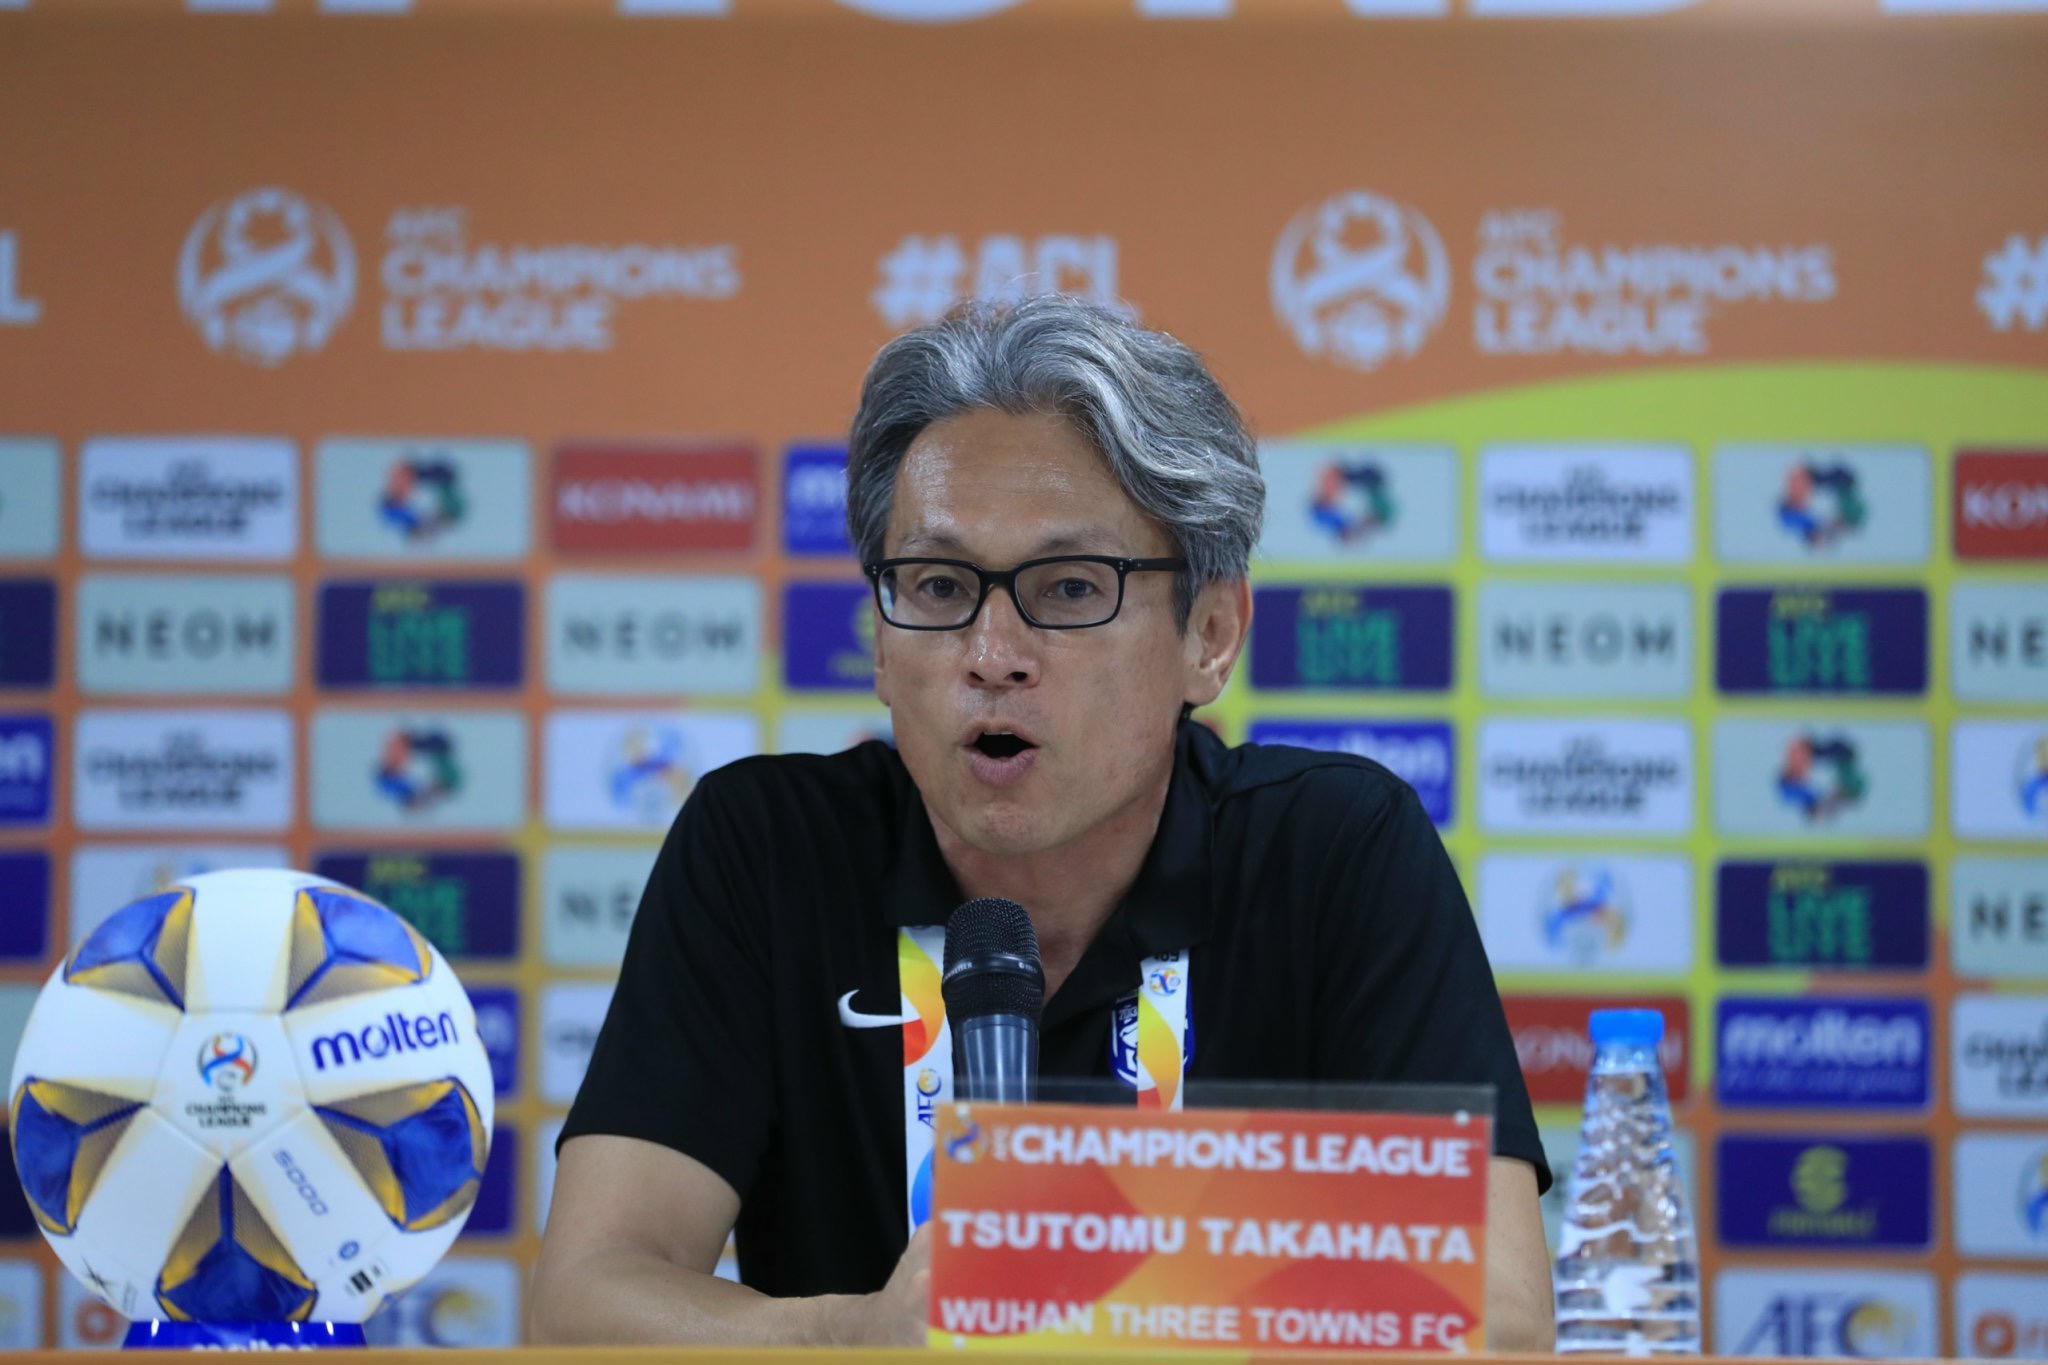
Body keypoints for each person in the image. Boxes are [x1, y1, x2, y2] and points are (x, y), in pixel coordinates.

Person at [529, 296, 1555, 1349]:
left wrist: (1120, 1314)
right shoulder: (767, 850)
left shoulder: (1333, 853)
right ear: (879, 642)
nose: (992, 654)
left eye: (1068, 587)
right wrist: (856, 1338)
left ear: (1209, 634)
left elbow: (1502, 1320)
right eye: (938, 585)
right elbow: (585, 1300)